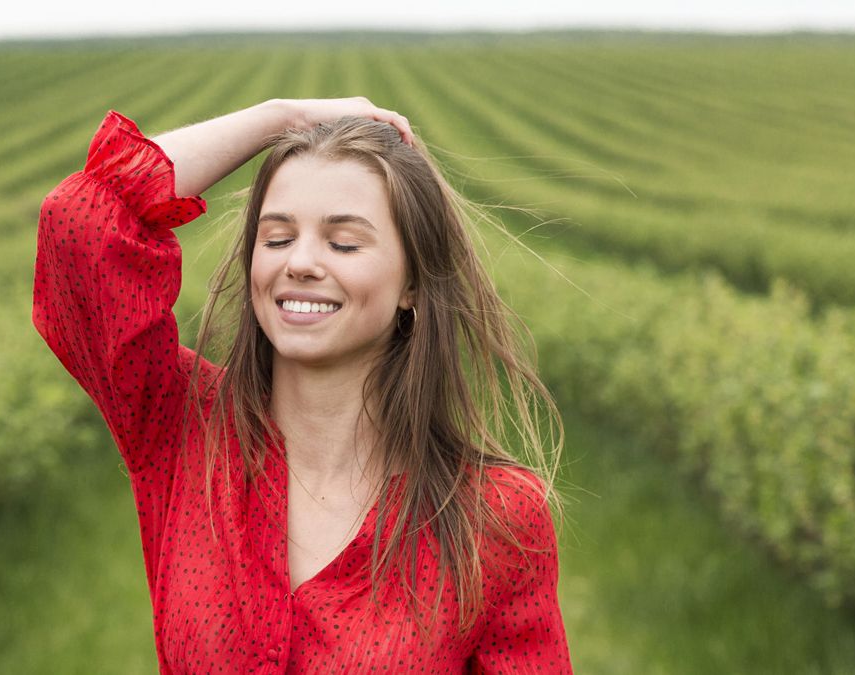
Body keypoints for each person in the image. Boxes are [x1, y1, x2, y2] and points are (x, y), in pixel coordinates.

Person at [32, 97, 572, 673]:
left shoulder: (493, 516)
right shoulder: (183, 424)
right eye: (277, 237)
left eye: (343, 242)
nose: (301, 262)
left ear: (412, 282)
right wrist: (279, 118)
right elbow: (82, 221)